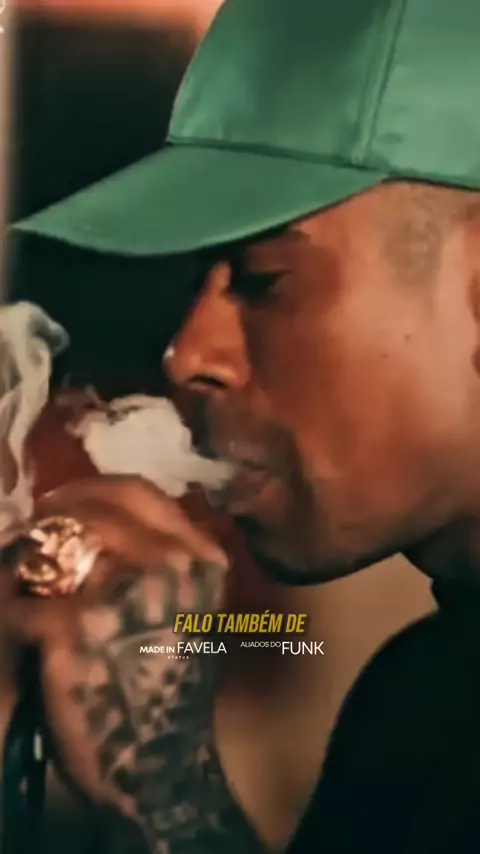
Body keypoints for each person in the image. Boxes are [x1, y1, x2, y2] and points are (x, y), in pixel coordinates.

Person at [6, 0, 480, 850]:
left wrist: (170, 801)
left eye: (262, 280)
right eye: (199, 280)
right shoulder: (419, 699)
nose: (188, 353)